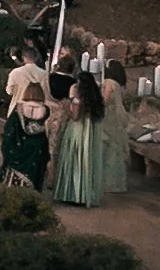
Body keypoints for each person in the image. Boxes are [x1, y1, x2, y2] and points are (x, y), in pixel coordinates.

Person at [53, 74, 108, 206]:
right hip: (89, 132)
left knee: (75, 158)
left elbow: (75, 117)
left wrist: (67, 106)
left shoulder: (78, 99)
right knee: (86, 160)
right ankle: (86, 193)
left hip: (77, 130)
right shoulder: (95, 100)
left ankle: (73, 193)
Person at [0, 78, 52, 188]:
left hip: (15, 155)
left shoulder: (18, 112)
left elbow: (8, 134)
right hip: (34, 157)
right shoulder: (45, 114)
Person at [100, 60, 130, 197]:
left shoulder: (108, 83)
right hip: (116, 120)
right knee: (115, 151)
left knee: (107, 151)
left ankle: (105, 182)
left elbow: (104, 101)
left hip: (108, 119)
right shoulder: (119, 85)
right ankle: (116, 182)